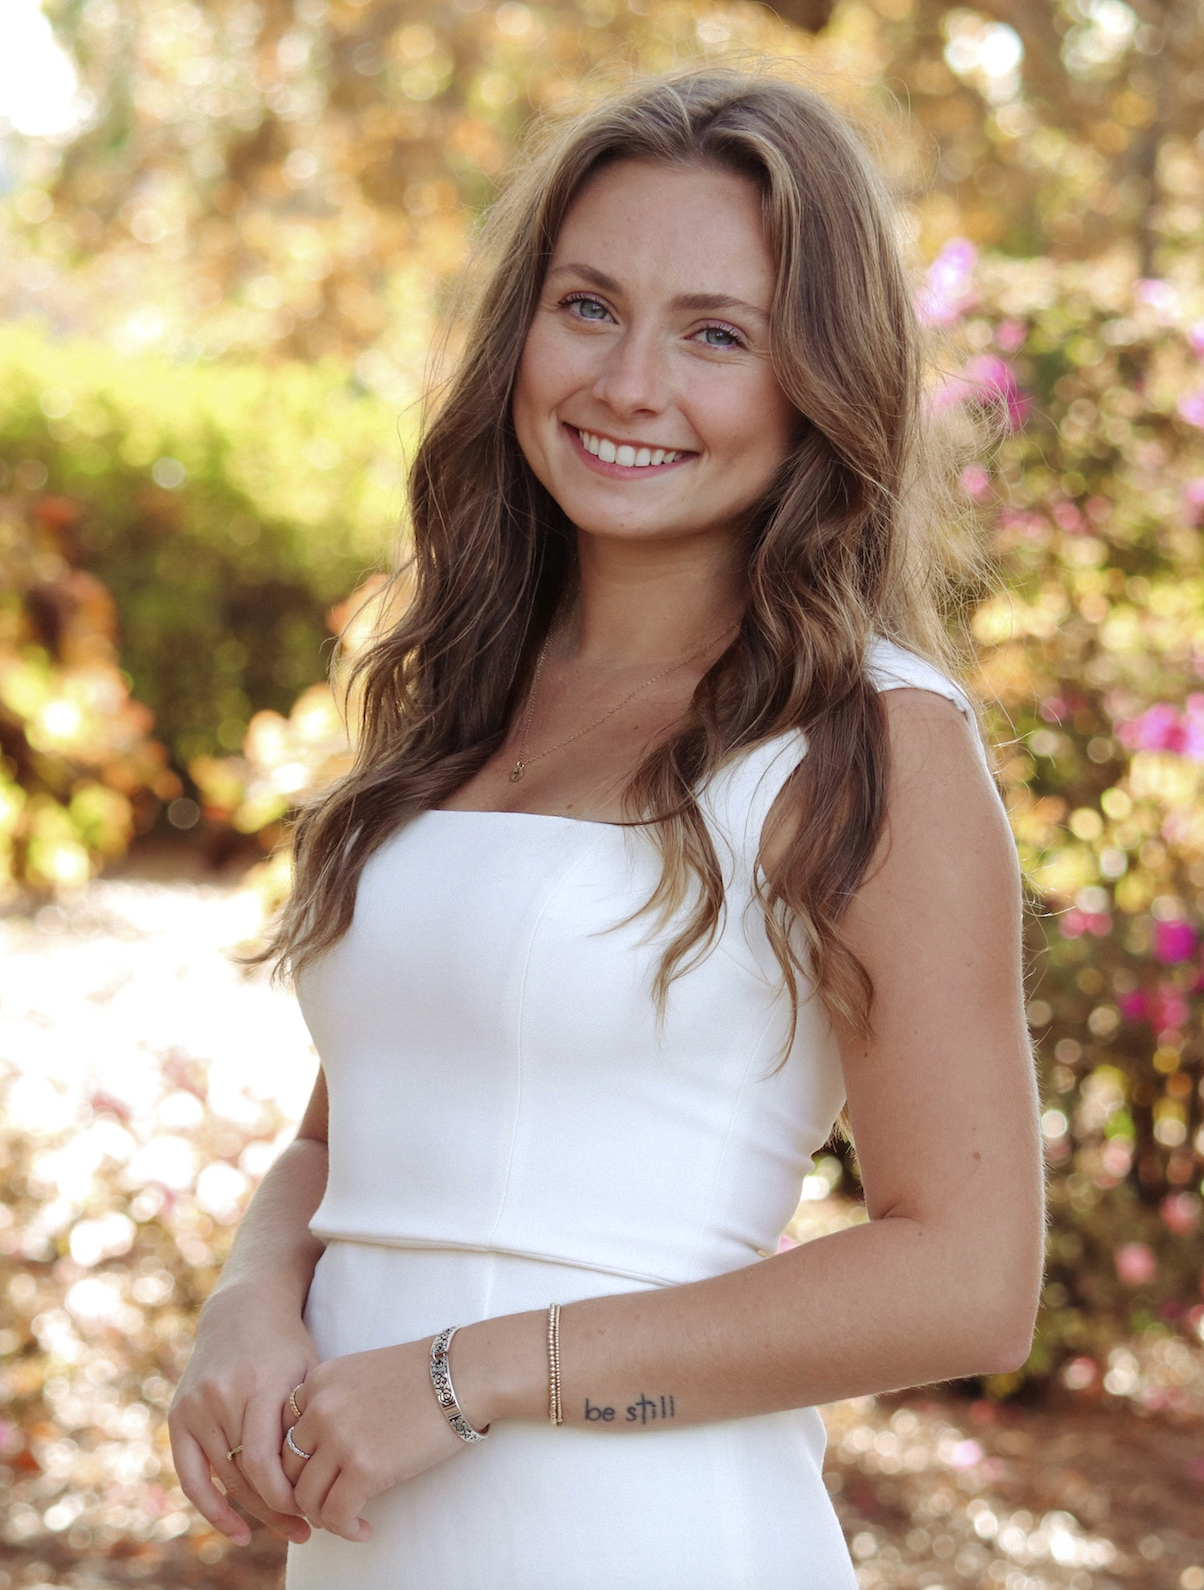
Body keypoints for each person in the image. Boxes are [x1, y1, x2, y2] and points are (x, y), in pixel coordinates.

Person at [168, 67, 1044, 1589]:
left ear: (816, 384)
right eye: (588, 306)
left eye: (717, 334)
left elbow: (969, 1274)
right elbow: (349, 1134)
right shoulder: (461, 692)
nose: (630, 382)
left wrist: (470, 1374)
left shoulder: (869, 739)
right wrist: (250, 1295)